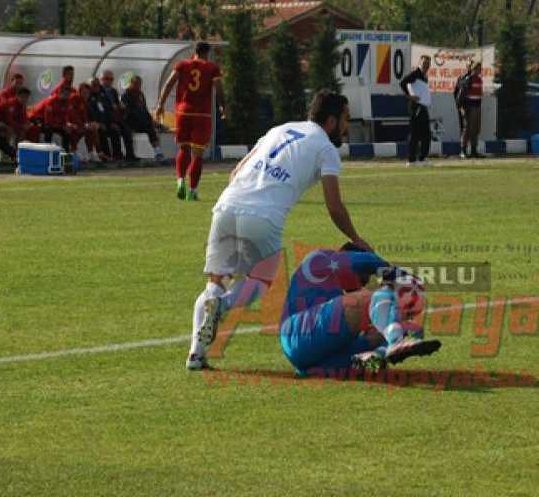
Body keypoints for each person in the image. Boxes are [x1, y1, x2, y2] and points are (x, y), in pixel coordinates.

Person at [186, 90, 372, 371]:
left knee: (215, 282)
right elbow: (334, 207)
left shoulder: (280, 129)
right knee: (261, 280)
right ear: (331, 121)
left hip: (226, 205)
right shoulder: (326, 149)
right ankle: (222, 308)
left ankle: (196, 355)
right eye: (345, 120)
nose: (346, 127)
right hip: (264, 216)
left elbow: (235, 172)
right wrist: (356, 238)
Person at [280, 245, 440, 376]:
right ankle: (394, 342)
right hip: (296, 333)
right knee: (372, 297)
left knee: (412, 329)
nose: (362, 284)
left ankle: (376, 355)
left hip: (314, 359)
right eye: (363, 278)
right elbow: (370, 261)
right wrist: (403, 277)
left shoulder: (331, 293)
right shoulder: (321, 258)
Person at [156, 41, 225, 201]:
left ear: (194, 51)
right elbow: (219, 89)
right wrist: (223, 106)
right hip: (202, 115)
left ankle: (180, 180)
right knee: (198, 154)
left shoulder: (182, 65)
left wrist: (160, 104)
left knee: (184, 149)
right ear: (206, 53)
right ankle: (193, 191)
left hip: (183, 112)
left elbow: (168, 84)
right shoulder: (212, 68)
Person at [121, 75, 165, 161]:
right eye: (136, 84)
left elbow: (145, 109)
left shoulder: (140, 94)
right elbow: (128, 111)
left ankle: (158, 153)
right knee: (132, 129)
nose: (138, 86)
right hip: (130, 122)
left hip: (142, 122)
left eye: (139, 84)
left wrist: (151, 120)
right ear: (131, 83)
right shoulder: (125, 95)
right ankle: (130, 156)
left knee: (151, 128)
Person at [400, 55, 433, 166]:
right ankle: (411, 159)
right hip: (416, 108)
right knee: (415, 133)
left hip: (422, 106)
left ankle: (422, 158)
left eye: (428, 64)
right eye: (424, 63)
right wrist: (410, 96)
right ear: (420, 63)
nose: (426, 65)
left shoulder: (424, 76)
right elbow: (403, 83)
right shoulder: (416, 73)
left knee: (426, 134)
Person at [99, 70, 131, 160]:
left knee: (126, 129)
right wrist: (110, 122)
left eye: (111, 79)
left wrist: (122, 107)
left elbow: (117, 104)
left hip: (115, 118)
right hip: (105, 120)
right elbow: (101, 111)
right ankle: (114, 156)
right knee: (114, 130)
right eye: (106, 79)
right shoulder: (99, 92)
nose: (109, 81)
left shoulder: (113, 91)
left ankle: (130, 155)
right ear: (101, 79)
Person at [88, 78, 123, 160]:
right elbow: (90, 115)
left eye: (97, 85)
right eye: (94, 85)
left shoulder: (102, 95)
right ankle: (106, 156)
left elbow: (109, 110)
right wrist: (99, 123)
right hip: (95, 124)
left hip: (106, 122)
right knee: (101, 131)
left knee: (115, 130)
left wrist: (111, 122)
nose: (96, 87)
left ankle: (117, 156)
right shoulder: (89, 97)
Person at [31, 85, 72, 150]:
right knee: (48, 129)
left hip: (54, 123)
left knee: (67, 132)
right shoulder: (51, 101)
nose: (67, 96)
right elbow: (48, 119)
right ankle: (47, 150)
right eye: (66, 94)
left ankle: (65, 153)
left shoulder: (66, 102)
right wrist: (60, 126)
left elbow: (65, 116)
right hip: (38, 118)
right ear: (59, 93)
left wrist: (66, 125)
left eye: (69, 95)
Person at [67, 83, 101, 162]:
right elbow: (71, 115)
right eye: (84, 92)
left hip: (79, 124)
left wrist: (89, 124)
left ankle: (91, 152)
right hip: (69, 123)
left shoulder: (84, 102)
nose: (86, 95)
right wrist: (84, 125)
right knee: (74, 128)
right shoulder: (73, 98)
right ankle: (74, 151)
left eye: (88, 93)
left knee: (93, 129)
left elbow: (84, 117)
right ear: (79, 92)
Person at [461, 60, 484, 158]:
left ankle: (474, 150)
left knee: (476, 129)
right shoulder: (468, 79)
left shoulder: (479, 79)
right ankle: (463, 150)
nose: (479, 70)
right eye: (477, 68)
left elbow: (479, 93)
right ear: (473, 69)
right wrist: (463, 108)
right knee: (468, 129)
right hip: (469, 107)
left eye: (480, 69)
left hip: (477, 106)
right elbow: (462, 94)